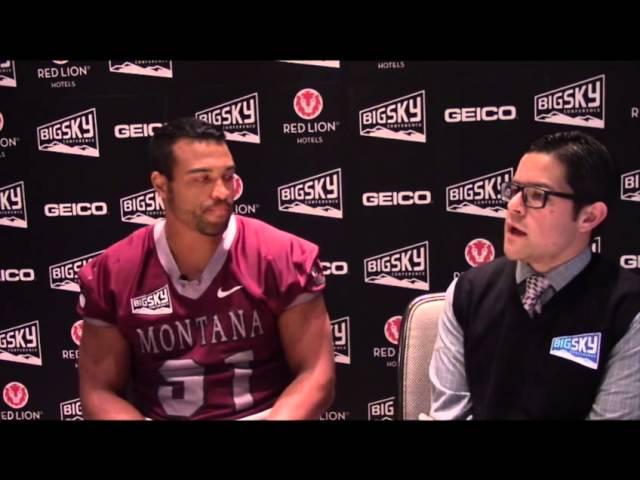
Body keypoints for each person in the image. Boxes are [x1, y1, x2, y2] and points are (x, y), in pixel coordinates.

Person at [77, 117, 335, 420]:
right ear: (161, 185)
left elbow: (316, 374)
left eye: (227, 176)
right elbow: (98, 391)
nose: (222, 192)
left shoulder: (281, 257)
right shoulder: (115, 273)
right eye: (202, 179)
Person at [429, 130, 640, 420]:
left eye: (536, 195)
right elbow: (448, 415)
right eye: (514, 190)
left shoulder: (628, 310)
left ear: (589, 217)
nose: (513, 206)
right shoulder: (467, 292)